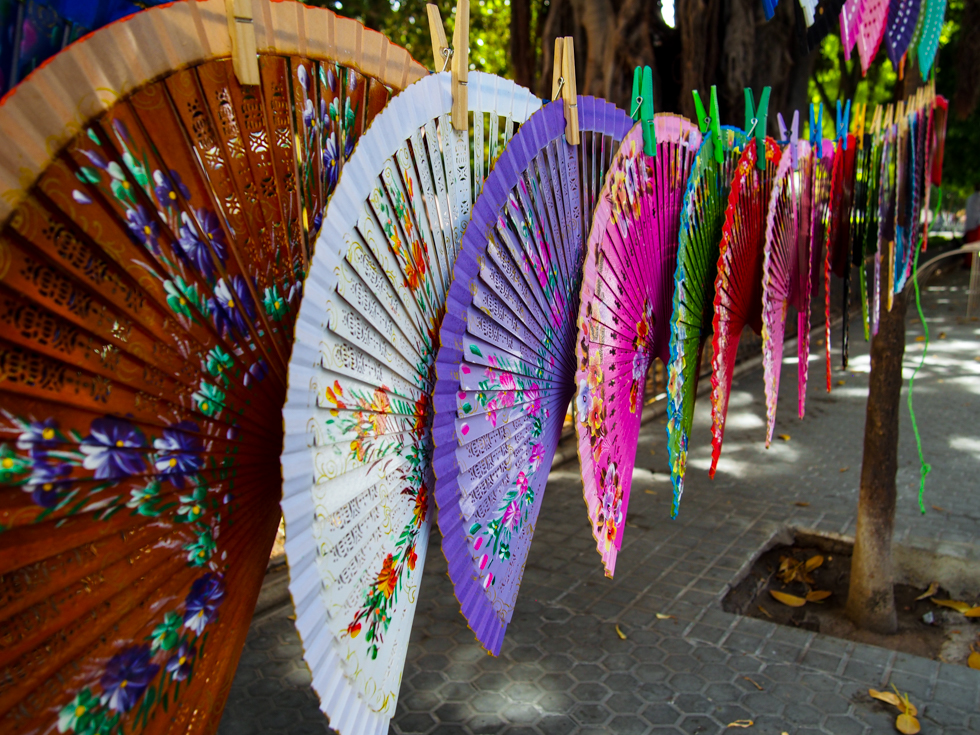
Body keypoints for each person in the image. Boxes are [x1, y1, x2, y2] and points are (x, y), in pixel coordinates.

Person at [965, 182, 980, 267]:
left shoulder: (970, 198)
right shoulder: (977, 198)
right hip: (976, 225)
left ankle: (970, 263)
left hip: (970, 225)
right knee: (975, 247)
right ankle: (973, 264)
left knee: (970, 246)